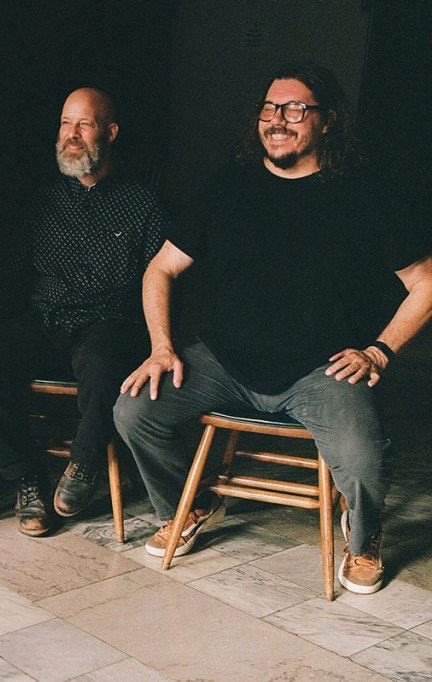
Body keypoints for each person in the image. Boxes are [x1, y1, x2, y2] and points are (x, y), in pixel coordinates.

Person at [114, 61, 432, 595]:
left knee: (362, 458)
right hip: (225, 360)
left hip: (321, 368)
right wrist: (162, 347)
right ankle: (190, 506)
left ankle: (363, 535)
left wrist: (380, 351)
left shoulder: (367, 193)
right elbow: (160, 269)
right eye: (268, 108)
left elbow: (425, 282)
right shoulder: (228, 186)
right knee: (133, 411)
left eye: (295, 109)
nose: (277, 120)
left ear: (328, 120)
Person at [0, 88, 166, 536]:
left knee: (103, 364)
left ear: (110, 133)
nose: (71, 135)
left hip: (108, 323)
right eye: (65, 123)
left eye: (84, 124)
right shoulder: (41, 201)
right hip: (45, 319)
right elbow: (12, 276)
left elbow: (158, 282)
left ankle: (84, 462)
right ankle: (27, 476)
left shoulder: (143, 204)